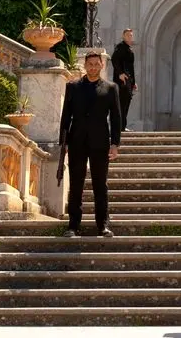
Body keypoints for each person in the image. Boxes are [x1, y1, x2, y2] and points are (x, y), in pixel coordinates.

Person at [58, 51, 121, 238]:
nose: (93, 67)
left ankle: (103, 225)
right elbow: (66, 116)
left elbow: (116, 119)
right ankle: (73, 226)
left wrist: (115, 143)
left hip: (100, 142)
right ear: (85, 65)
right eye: (90, 64)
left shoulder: (111, 88)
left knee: (100, 185)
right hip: (76, 141)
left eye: (96, 64)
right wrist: (64, 142)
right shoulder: (73, 87)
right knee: (76, 184)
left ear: (102, 65)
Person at [111, 29, 137, 132]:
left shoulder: (129, 49)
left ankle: (122, 126)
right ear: (123, 36)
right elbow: (114, 60)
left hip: (128, 81)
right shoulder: (120, 47)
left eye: (131, 35)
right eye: (127, 35)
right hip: (122, 81)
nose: (130, 37)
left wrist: (133, 82)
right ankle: (120, 127)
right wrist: (120, 73)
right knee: (121, 104)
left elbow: (131, 68)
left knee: (126, 103)